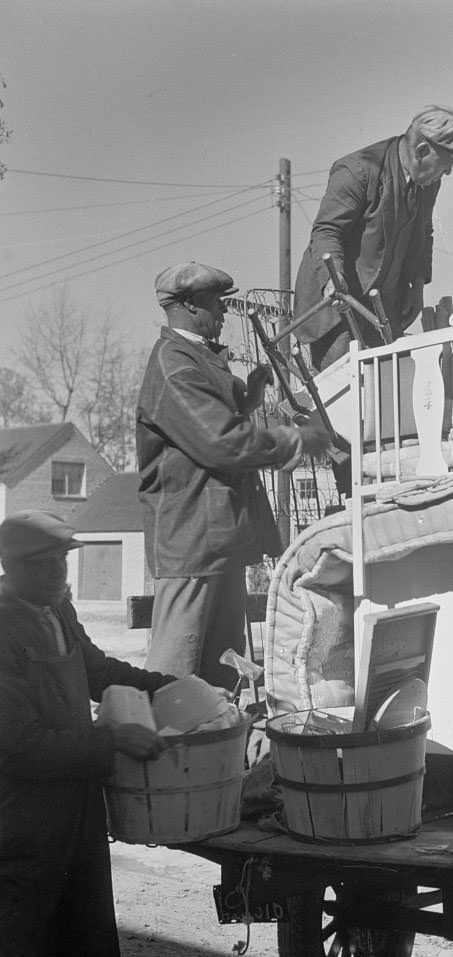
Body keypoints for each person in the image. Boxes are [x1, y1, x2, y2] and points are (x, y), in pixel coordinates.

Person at [136, 261, 329, 690]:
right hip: (190, 545)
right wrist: (294, 442)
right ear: (187, 305)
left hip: (214, 540)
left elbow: (208, 434)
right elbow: (219, 443)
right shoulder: (175, 365)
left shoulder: (197, 359)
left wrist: (248, 401)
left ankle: (217, 754)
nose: (223, 313)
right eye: (214, 304)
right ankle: (167, 753)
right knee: (174, 681)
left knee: (222, 675)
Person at [0, 510, 176, 957]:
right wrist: (114, 739)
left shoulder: (57, 609)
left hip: (79, 809)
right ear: (10, 565)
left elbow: (97, 670)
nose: (58, 570)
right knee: (27, 937)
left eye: (62, 558)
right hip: (23, 821)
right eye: (43, 562)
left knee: (86, 933)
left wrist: (169, 686)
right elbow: (22, 747)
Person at [293, 104, 453, 371]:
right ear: (422, 151)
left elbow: (425, 232)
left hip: (383, 308)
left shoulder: (428, 182)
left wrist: (417, 285)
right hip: (340, 309)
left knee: (387, 393)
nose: (447, 173)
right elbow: (327, 231)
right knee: (346, 395)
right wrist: (333, 281)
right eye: (446, 165)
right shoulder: (357, 170)